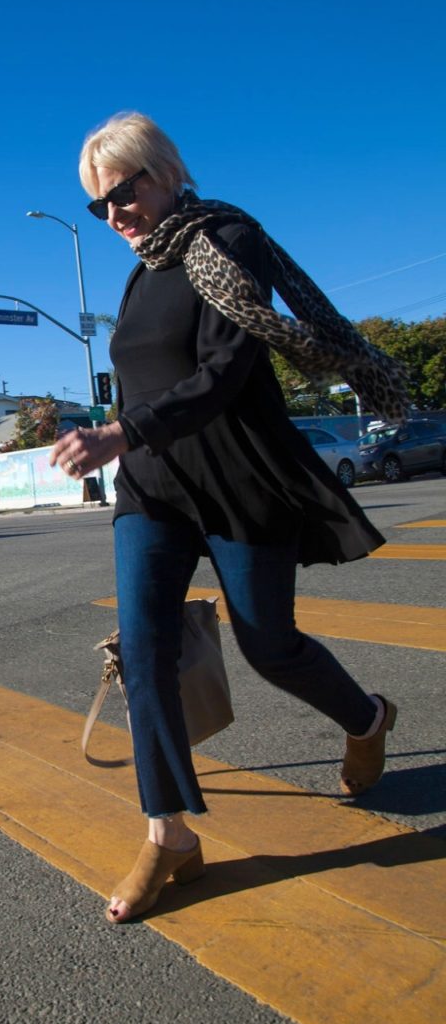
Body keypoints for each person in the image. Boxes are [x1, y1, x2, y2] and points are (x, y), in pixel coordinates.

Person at [49, 112, 406, 925]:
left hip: (239, 482)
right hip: (152, 488)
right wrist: (112, 437)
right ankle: (169, 832)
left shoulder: (226, 239)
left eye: (122, 192)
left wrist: (121, 431)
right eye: (99, 207)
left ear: (163, 169)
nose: (114, 216)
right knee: (144, 649)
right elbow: (142, 383)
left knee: (268, 646)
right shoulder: (141, 274)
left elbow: (223, 372)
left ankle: (368, 716)